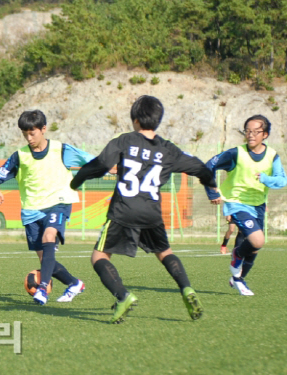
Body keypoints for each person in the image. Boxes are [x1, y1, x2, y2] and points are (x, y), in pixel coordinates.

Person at [71, 95, 216, 323]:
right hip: (151, 212)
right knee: (165, 253)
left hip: (123, 210)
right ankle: (187, 289)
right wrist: (211, 183)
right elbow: (198, 167)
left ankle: (123, 296)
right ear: (158, 120)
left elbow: (100, 165)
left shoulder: (125, 141)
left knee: (99, 256)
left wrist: (76, 181)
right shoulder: (168, 149)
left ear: (135, 118)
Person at [0, 110, 93, 306]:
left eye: (32, 132)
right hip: (32, 210)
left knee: (48, 237)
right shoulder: (20, 155)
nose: (28, 137)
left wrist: (117, 167)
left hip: (59, 203)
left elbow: (93, 161)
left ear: (43, 129)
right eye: (25, 133)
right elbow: (0, 174)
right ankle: (74, 284)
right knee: (45, 261)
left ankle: (42, 288)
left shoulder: (62, 150)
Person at [205, 114, 286, 296]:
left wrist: (266, 179)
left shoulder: (272, 156)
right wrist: (212, 191)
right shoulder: (236, 153)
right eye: (247, 131)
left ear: (265, 134)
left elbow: (282, 181)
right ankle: (236, 258)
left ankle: (238, 278)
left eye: (255, 132)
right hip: (237, 204)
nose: (250, 135)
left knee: (255, 247)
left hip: (258, 205)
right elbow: (208, 166)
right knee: (258, 240)